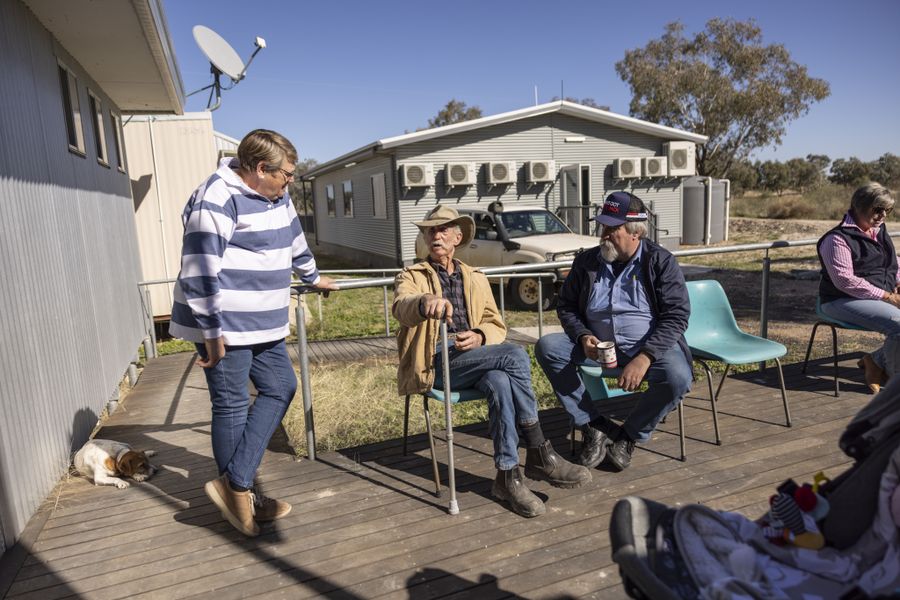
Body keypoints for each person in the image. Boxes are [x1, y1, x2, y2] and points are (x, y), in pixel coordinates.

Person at [169, 129, 337, 537]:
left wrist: (313, 278)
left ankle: (236, 485)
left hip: (264, 320)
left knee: (281, 386)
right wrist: (211, 332)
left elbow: (295, 240)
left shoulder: (276, 194)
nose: (291, 182)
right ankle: (242, 497)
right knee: (231, 405)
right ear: (260, 169)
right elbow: (199, 271)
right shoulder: (216, 198)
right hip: (223, 324)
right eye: (286, 174)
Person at [393, 205, 591, 518]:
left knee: (500, 380)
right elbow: (401, 306)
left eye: (443, 229)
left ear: (458, 237)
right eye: (430, 230)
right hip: (437, 361)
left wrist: (480, 336)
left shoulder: (475, 277)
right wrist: (424, 302)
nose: (436, 235)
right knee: (514, 354)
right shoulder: (413, 275)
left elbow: (495, 323)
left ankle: (507, 477)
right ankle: (539, 449)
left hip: (474, 356)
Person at [535, 192, 692, 472]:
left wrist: (644, 357)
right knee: (548, 347)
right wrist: (583, 336)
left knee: (678, 377)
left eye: (612, 228)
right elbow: (567, 307)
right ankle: (593, 424)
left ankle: (628, 436)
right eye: (603, 227)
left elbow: (676, 316)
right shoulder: (587, 262)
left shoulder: (660, 262)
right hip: (597, 347)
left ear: (635, 232)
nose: (604, 234)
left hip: (645, 346)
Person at [817, 183, 899, 394]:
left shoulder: (878, 231)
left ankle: (875, 360)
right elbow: (845, 281)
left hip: (878, 295)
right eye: (877, 209)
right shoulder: (836, 239)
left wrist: (898, 283)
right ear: (860, 206)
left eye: (887, 210)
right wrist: (887, 296)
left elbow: (892, 264)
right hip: (841, 300)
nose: (882, 215)